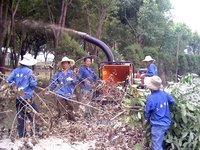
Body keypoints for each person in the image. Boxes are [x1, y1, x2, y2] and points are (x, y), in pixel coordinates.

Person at [6, 53, 39, 138]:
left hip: (19, 97)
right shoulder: (29, 72)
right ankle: (36, 132)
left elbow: (8, 80)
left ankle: (22, 134)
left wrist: (16, 84)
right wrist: (35, 81)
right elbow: (33, 84)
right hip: (28, 97)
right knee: (35, 114)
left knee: (20, 115)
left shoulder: (16, 70)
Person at [144, 76, 175, 150]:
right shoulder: (164, 93)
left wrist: (145, 119)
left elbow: (147, 112)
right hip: (166, 122)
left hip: (158, 124)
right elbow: (173, 101)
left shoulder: (151, 98)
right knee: (159, 142)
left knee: (156, 146)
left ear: (150, 87)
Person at [49, 56, 76, 121]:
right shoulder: (58, 73)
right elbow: (53, 81)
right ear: (62, 64)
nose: (65, 64)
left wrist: (72, 80)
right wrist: (50, 88)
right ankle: (58, 120)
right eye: (64, 63)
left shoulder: (72, 73)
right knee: (59, 107)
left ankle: (71, 120)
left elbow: (75, 82)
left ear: (69, 64)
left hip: (69, 92)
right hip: (60, 92)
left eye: (66, 63)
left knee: (70, 107)